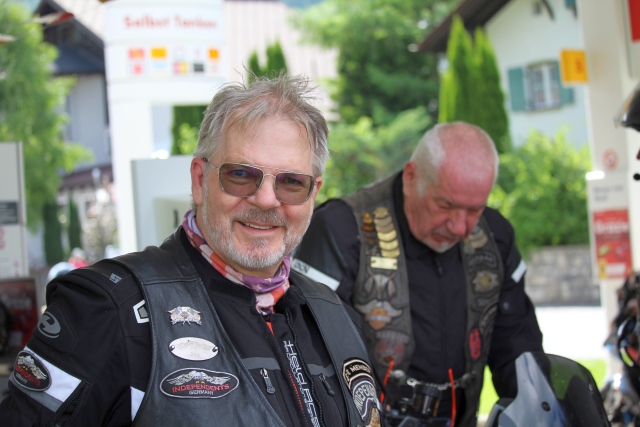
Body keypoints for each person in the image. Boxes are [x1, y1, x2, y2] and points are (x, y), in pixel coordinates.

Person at [0, 75, 381, 427]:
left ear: (313, 194)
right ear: (200, 180)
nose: (266, 199)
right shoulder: (109, 309)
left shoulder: (335, 314)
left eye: (291, 182)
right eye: (241, 175)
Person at [293, 122, 544, 427]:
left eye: (474, 210)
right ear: (411, 177)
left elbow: (518, 350)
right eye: (445, 205)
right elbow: (310, 357)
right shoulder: (341, 230)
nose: (459, 227)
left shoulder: (495, 238)